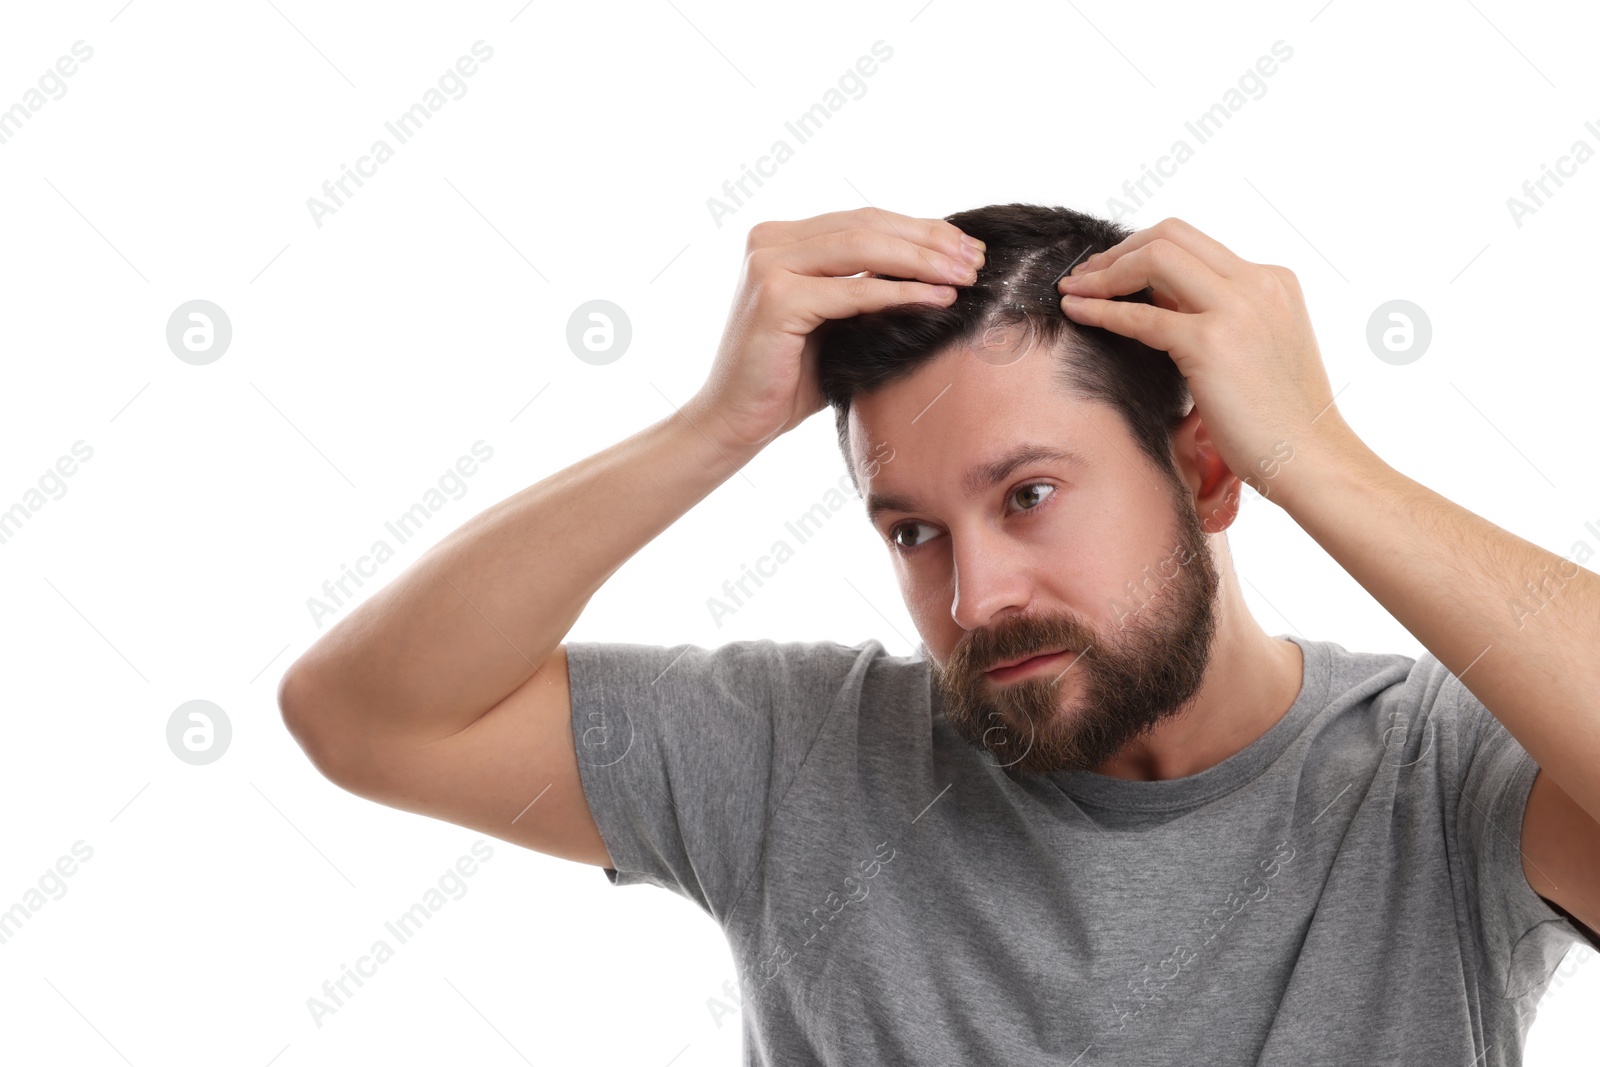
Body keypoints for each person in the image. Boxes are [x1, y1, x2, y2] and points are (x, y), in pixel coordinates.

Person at [278, 203, 1600, 1065]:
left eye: (1028, 497)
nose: (976, 599)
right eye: (912, 532)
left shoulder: (1446, 773)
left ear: (1205, 473)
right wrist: (711, 431)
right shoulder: (801, 759)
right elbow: (368, 718)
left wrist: (1319, 456)